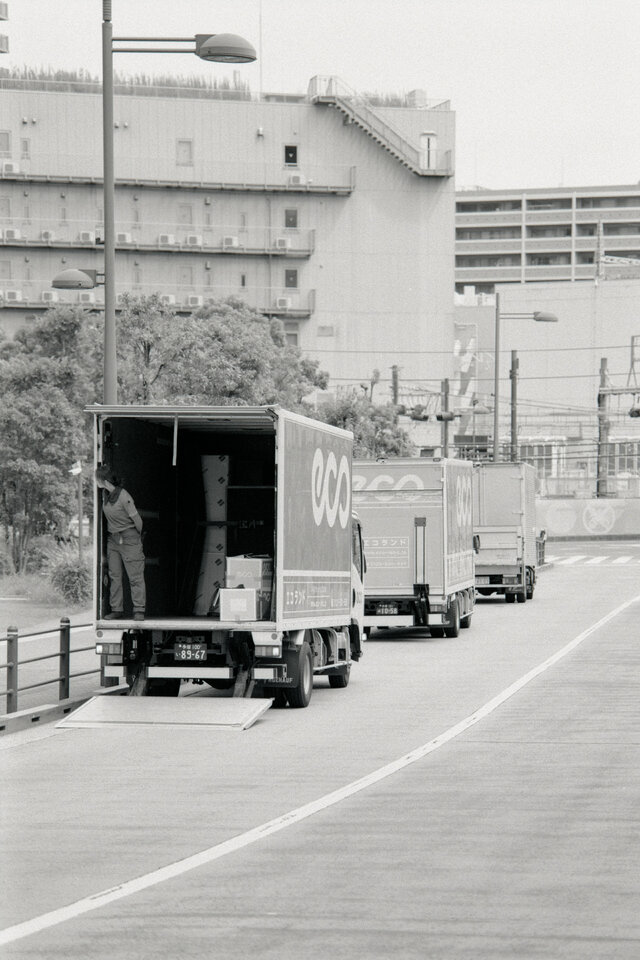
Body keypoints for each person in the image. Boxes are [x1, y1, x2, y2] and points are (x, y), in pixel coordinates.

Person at [95, 465, 146, 621]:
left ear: (103, 481)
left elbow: (138, 520)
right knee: (114, 575)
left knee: (135, 576)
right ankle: (116, 609)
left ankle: (139, 609)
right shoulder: (105, 494)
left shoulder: (124, 496)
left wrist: (136, 538)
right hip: (113, 539)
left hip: (129, 538)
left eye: (96, 479)